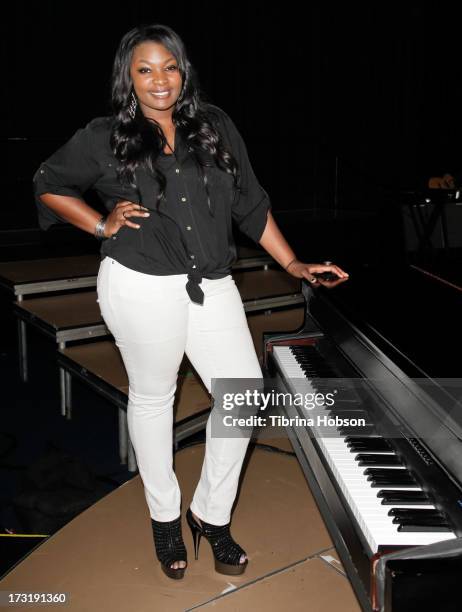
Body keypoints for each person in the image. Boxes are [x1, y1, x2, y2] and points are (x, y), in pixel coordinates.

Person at [33, 23, 348, 580]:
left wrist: (293, 263)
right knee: (154, 400)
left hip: (211, 283)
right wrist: (102, 225)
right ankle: (163, 516)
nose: (160, 80)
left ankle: (210, 513)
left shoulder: (216, 126)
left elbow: (251, 203)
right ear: (127, 78)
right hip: (138, 284)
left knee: (244, 396)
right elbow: (49, 184)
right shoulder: (104, 135)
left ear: (184, 70)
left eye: (169, 67)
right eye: (145, 70)